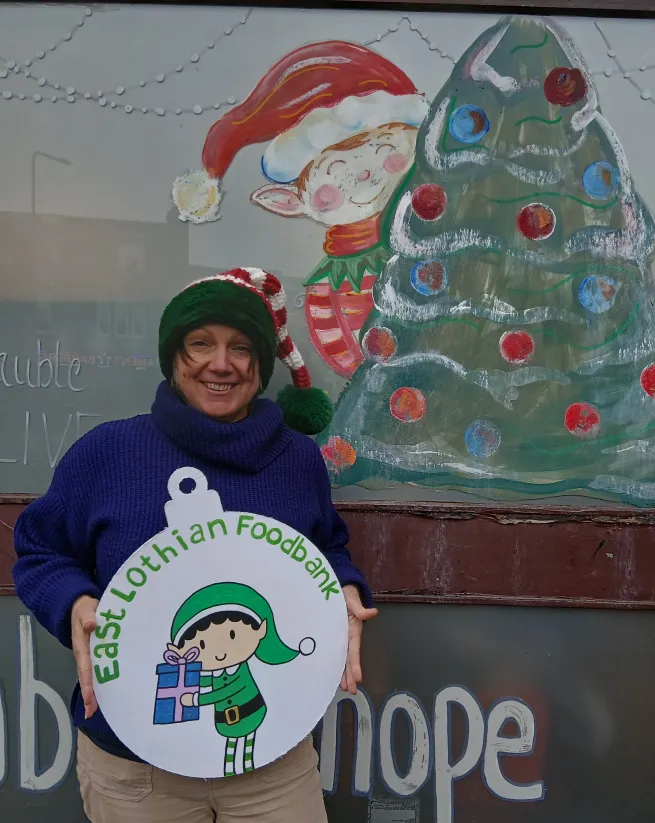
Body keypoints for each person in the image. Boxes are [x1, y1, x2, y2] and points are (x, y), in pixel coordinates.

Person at [12, 267, 378, 823]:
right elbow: (41, 553)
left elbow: (325, 548)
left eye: (241, 347)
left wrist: (343, 588)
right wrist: (75, 602)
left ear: (261, 363)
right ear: (173, 356)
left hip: (270, 759)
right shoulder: (107, 453)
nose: (220, 364)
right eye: (200, 344)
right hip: (134, 765)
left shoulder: (297, 461)